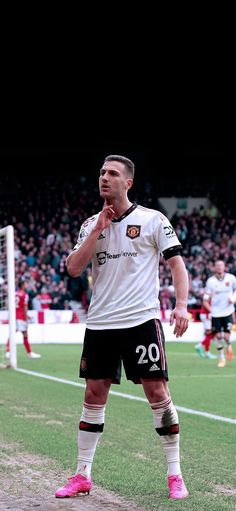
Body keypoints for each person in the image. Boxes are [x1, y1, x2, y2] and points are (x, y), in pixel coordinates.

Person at [55, 155, 189, 501]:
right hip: (100, 323)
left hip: (140, 321)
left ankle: (175, 474)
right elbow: (72, 268)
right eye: (101, 172)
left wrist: (181, 305)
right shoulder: (89, 225)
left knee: (157, 395)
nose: (104, 177)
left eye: (112, 173)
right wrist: (98, 230)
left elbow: (177, 264)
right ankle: (82, 474)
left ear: (127, 182)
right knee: (92, 397)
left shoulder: (152, 220)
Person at [203, 260, 236, 368]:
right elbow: (206, 298)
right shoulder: (210, 281)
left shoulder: (231, 278)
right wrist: (210, 308)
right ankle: (221, 357)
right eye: (217, 265)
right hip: (216, 313)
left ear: (224, 267)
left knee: (226, 336)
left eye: (221, 265)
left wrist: (233, 299)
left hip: (228, 311)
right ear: (214, 268)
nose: (219, 267)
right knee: (217, 336)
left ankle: (229, 346)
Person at [6, 280, 41, 359]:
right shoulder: (25, 295)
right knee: (25, 334)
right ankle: (29, 353)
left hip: (14, 316)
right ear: (22, 285)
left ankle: (8, 352)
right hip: (20, 317)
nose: (27, 285)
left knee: (13, 333)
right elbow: (25, 307)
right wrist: (26, 318)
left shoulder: (15, 293)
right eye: (26, 284)